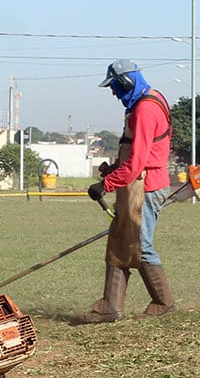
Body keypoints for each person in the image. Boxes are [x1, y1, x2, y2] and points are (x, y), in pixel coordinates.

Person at [70, 60, 176, 323]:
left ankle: (163, 302)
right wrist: (114, 169)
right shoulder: (148, 100)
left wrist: (105, 185)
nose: (113, 92)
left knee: (141, 246)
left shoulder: (145, 110)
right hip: (140, 183)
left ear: (126, 82)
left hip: (145, 186)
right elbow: (137, 152)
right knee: (120, 240)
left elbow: (137, 162)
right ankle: (110, 306)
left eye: (115, 86)